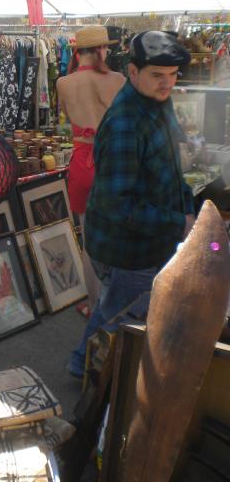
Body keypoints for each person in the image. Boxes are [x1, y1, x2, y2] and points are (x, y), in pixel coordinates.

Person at [69, 30, 195, 378]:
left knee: (116, 307)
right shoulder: (125, 123)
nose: (167, 83)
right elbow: (117, 206)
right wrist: (178, 223)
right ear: (133, 72)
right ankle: (87, 371)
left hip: (145, 240)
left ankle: (86, 365)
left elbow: (171, 163)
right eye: (158, 75)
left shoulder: (156, 101)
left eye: (172, 75)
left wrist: (185, 205)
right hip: (127, 247)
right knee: (120, 313)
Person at [56, 26, 125, 310]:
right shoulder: (118, 80)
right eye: (106, 48)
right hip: (112, 161)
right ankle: (116, 304)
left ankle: (94, 305)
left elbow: (66, 115)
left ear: (77, 53)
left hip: (82, 162)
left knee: (89, 242)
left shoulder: (63, 83)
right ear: (99, 50)